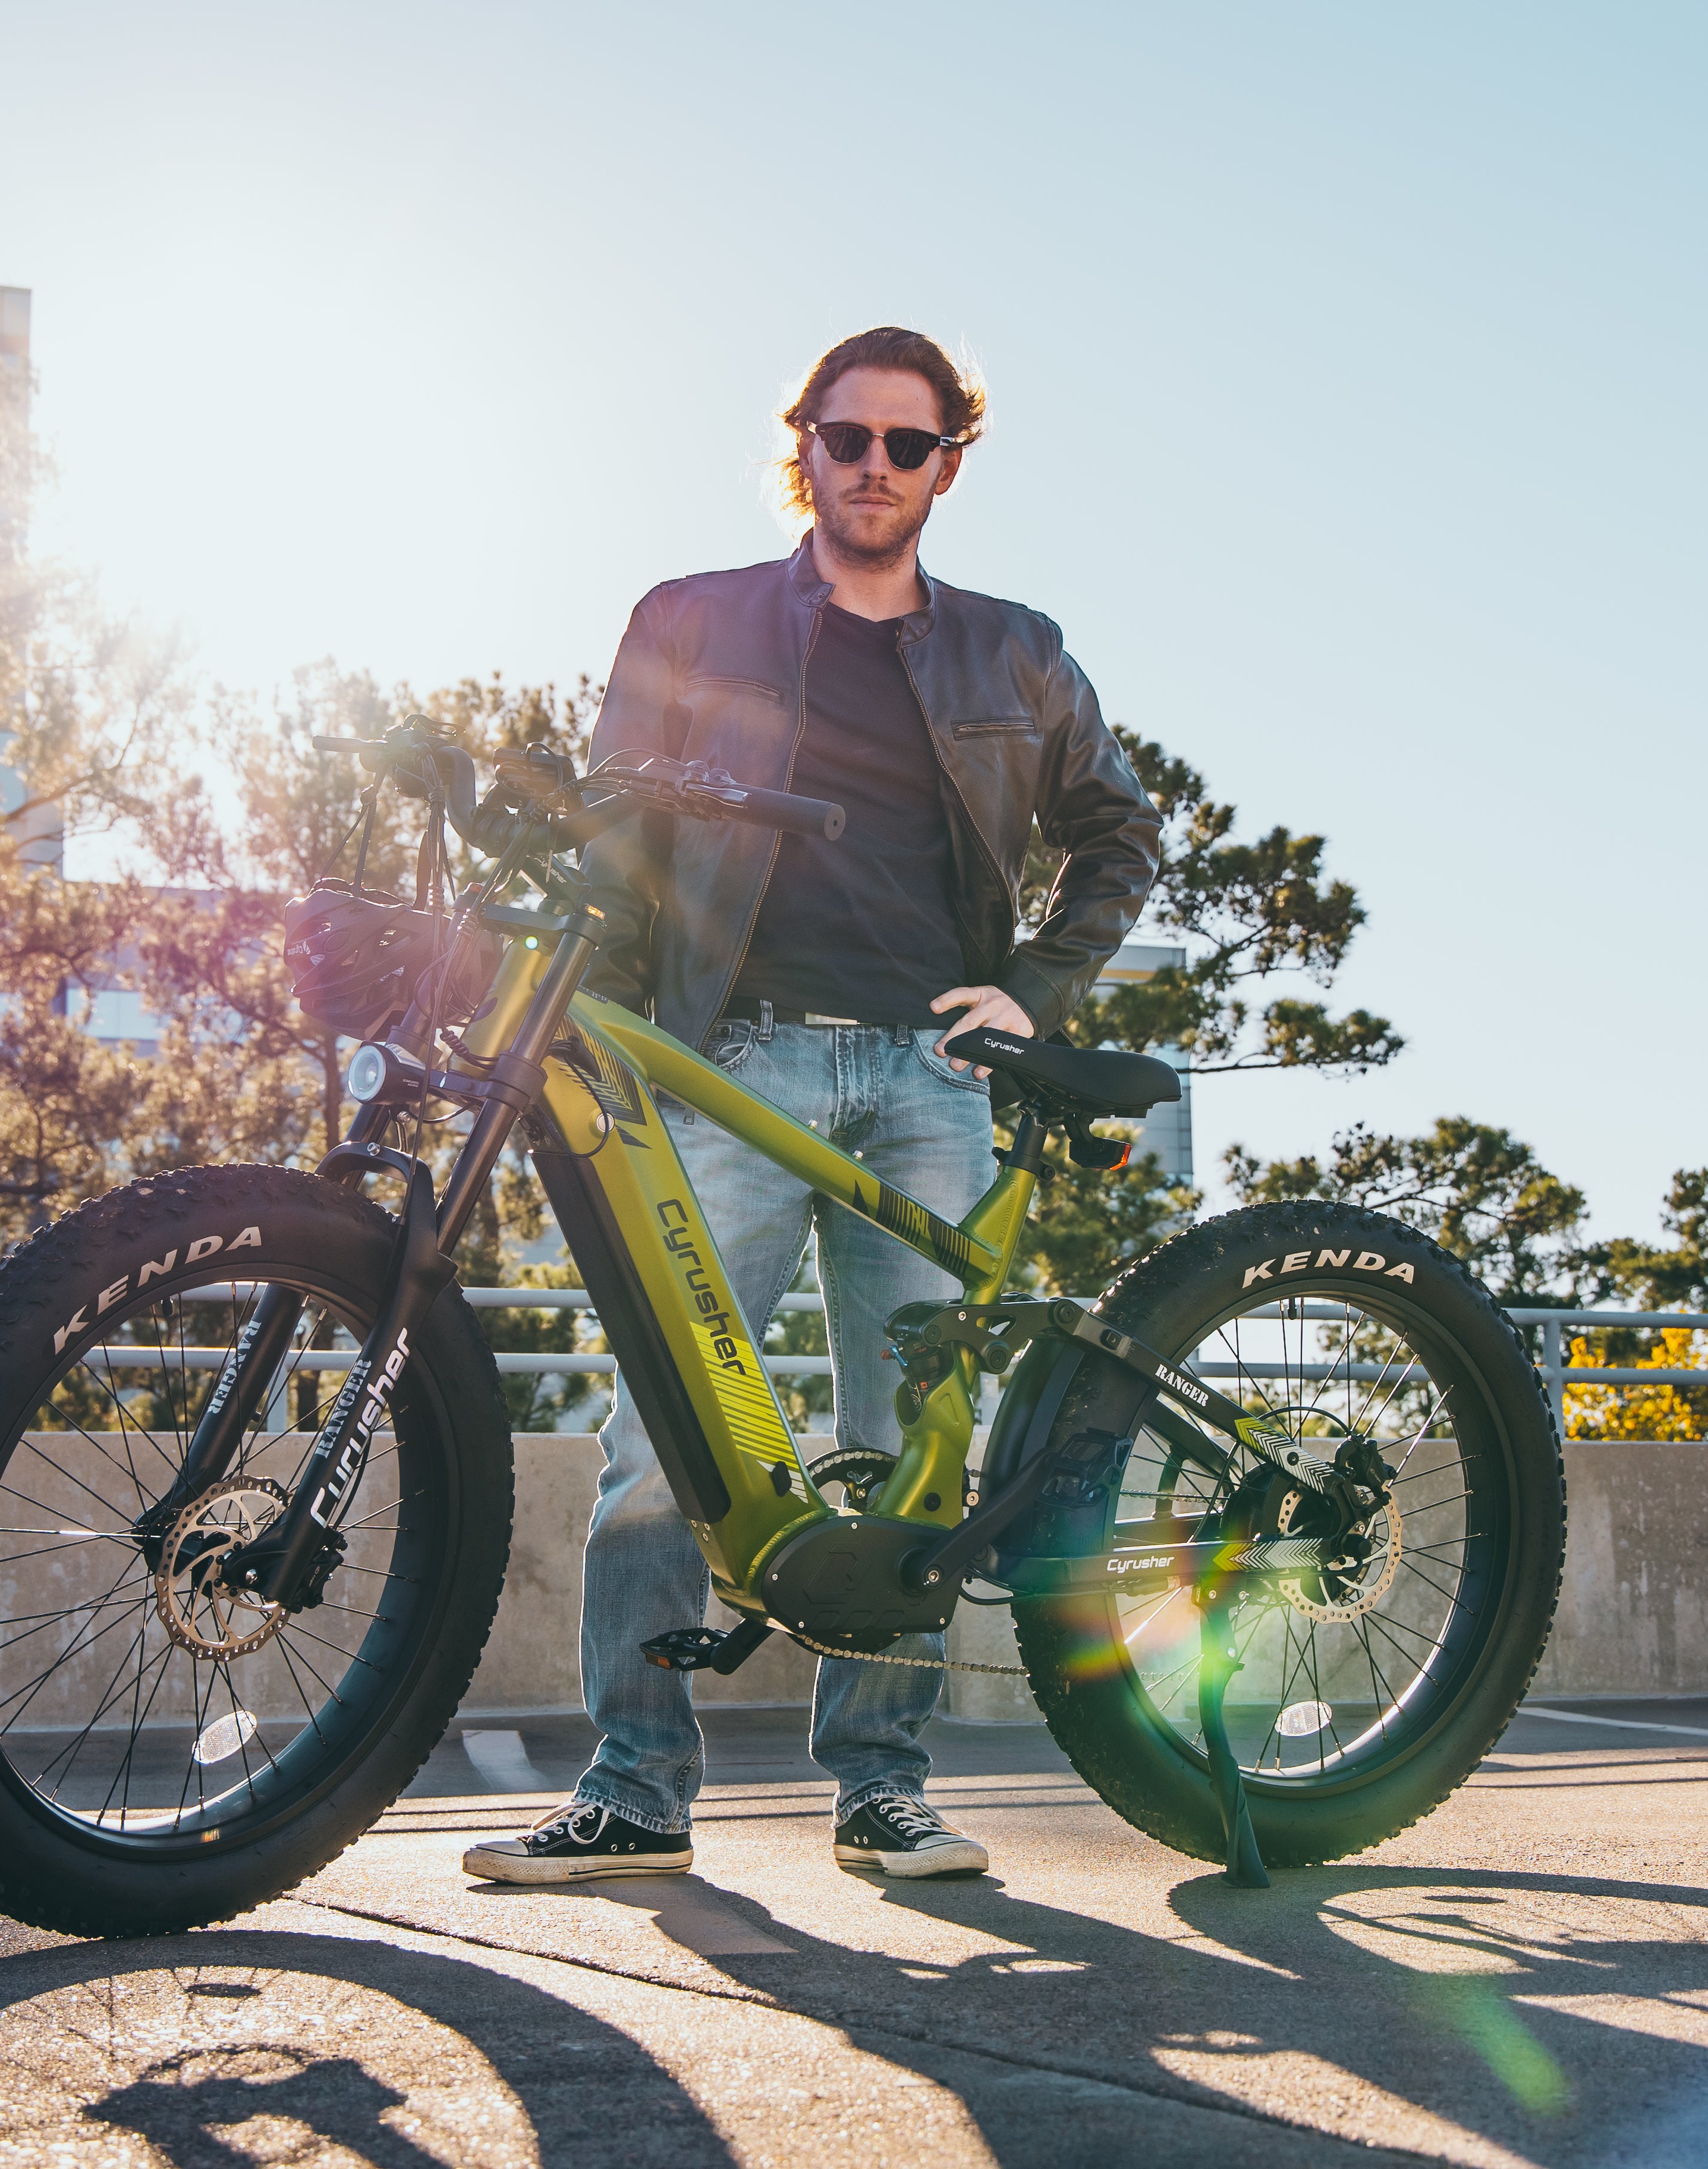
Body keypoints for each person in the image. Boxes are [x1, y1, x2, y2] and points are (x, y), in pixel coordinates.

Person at [464, 327, 1160, 1885]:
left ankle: (883, 1789)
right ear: (806, 446)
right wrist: (617, 1032)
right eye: (848, 438)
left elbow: (1117, 835)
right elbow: (612, 844)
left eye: (908, 444)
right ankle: (635, 1791)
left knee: (909, 1444)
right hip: (736, 1062)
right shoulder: (693, 622)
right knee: (662, 1443)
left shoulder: (1015, 652)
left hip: (935, 1077)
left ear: (948, 465)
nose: (874, 467)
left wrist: (1033, 991)